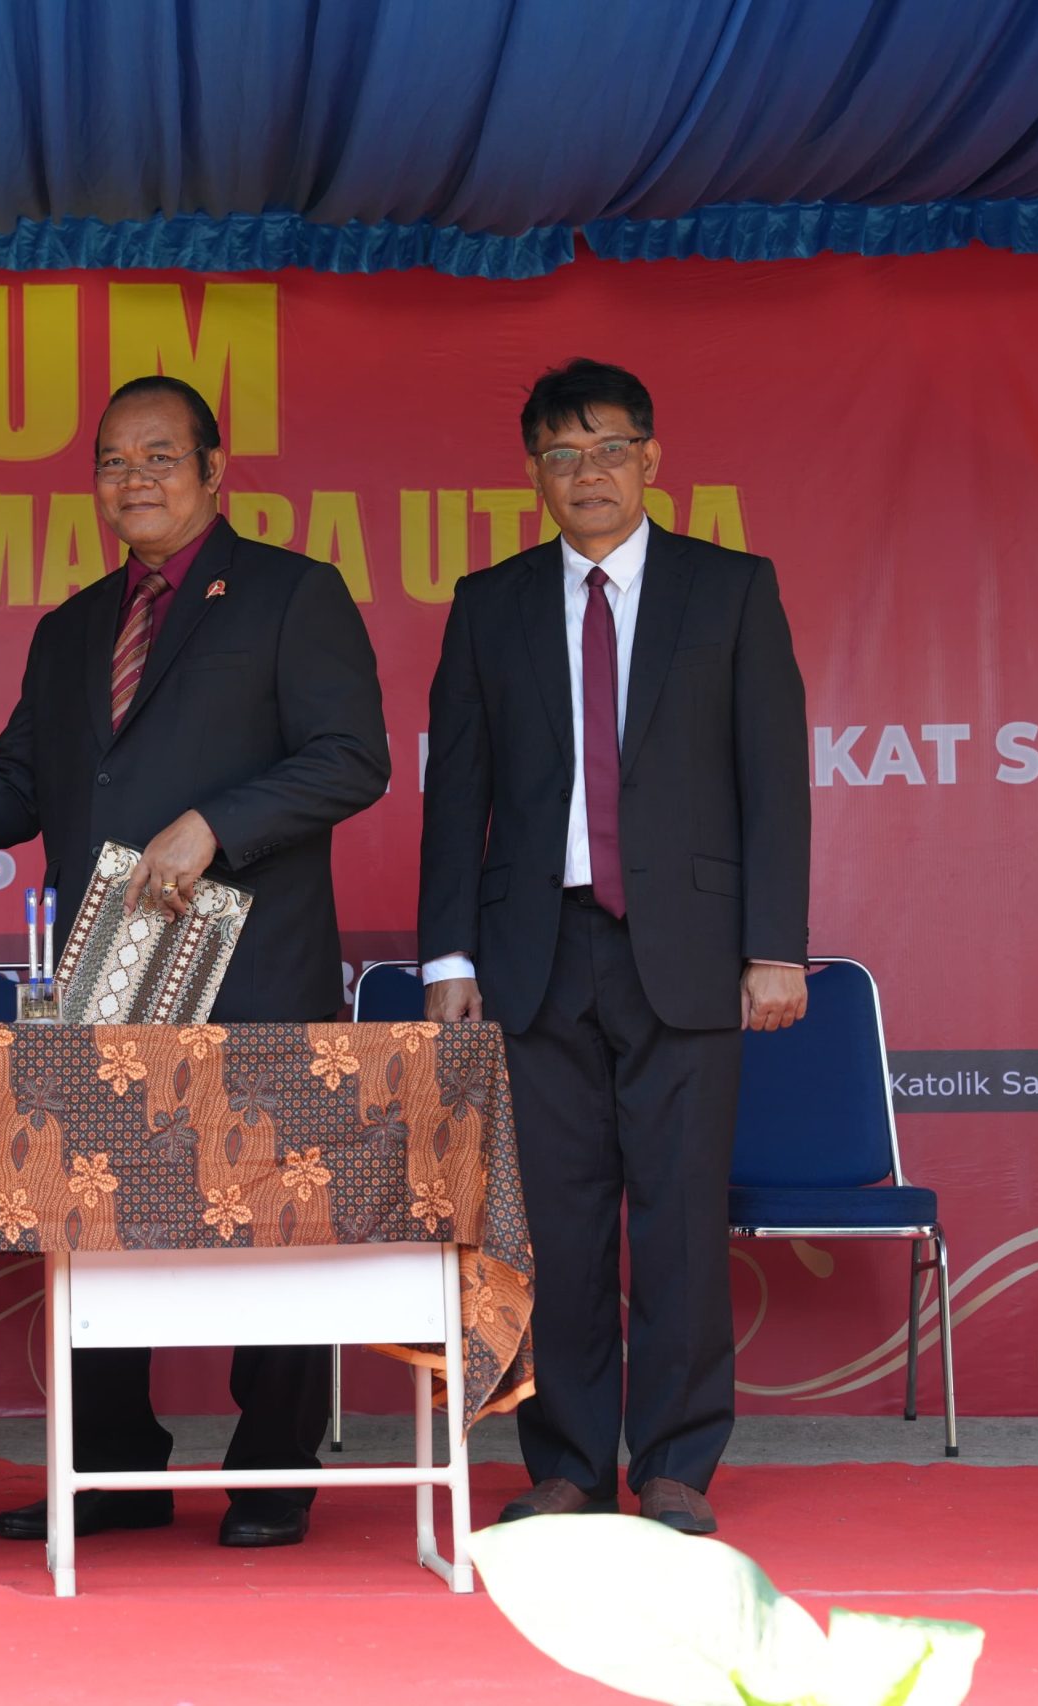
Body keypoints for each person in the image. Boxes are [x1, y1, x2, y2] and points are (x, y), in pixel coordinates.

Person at [0, 376, 390, 1550]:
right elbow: (16, 788)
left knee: (267, 1221)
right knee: (94, 1211)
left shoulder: (292, 593)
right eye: (112, 460)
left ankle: (274, 1466)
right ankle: (115, 1464)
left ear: (214, 469)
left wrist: (216, 824)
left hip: (251, 969)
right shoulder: (74, 626)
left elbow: (351, 756)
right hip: (109, 978)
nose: (134, 478)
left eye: (159, 455)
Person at [417, 359, 810, 1535]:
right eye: (561, 454)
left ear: (650, 458)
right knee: (559, 1224)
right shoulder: (489, 603)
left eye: (607, 449)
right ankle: (570, 1461)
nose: (586, 473)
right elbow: (457, 795)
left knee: (680, 1215)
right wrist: (448, 957)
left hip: (687, 949)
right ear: (533, 473)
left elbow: (772, 780)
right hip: (534, 951)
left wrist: (774, 945)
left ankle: (678, 1463)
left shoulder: (729, 589)